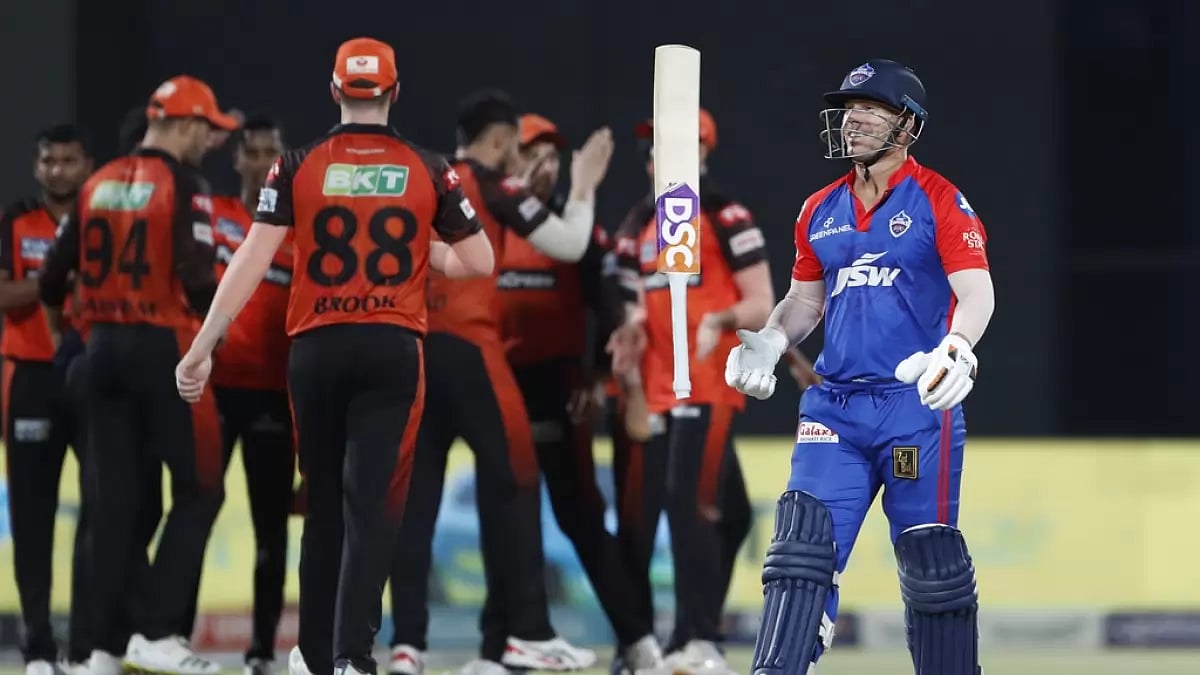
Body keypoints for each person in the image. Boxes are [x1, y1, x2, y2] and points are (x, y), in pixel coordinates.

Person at [171, 37, 494, 675]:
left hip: (315, 350)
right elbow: (478, 261)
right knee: (369, 508)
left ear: (335, 91)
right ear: (395, 93)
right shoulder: (428, 167)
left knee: (321, 505)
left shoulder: (296, 165)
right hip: (391, 349)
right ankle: (352, 658)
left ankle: (313, 656)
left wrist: (200, 349)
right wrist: (418, 252)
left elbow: (251, 260)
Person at [725, 59, 994, 675]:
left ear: (908, 125)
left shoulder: (940, 200)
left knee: (932, 565)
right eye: (849, 110)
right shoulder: (819, 208)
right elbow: (805, 301)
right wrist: (769, 341)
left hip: (914, 410)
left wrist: (956, 348)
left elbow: (977, 292)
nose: (854, 121)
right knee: (800, 552)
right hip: (835, 407)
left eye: (871, 109)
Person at [386, 91, 608, 675]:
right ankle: (527, 633)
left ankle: (407, 646)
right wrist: (582, 185)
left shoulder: (425, 175)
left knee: (415, 504)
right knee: (516, 477)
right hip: (469, 348)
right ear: (503, 140)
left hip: (412, 351)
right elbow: (569, 243)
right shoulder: (490, 182)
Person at [37, 75, 238, 675]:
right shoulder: (183, 183)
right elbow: (201, 277)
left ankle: (101, 646)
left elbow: (51, 280)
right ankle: (154, 630)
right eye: (209, 128)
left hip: (99, 353)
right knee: (203, 487)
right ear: (184, 125)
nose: (212, 140)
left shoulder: (96, 184)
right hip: (165, 348)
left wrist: (69, 342)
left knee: (115, 506)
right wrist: (219, 329)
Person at [608, 107, 802, 675]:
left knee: (690, 505)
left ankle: (699, 640)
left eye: (669, 145)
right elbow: (624, 299)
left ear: (702, 152)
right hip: (656, 392)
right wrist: (626, 331)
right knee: (725, 514)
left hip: (708, 383)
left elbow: (762, 303)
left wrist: (716, 323)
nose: (654, 157)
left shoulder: (724, 214)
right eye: (652, 147)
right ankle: (662, 641)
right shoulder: (638, 225)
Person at [494, 113, 663, 671]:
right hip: (497, 388)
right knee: (506, 514)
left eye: (550, 157)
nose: (542, 167)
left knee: (580, 515)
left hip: (560, 389)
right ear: (508, 160)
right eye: (530, 155)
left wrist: (594, 376)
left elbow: (609, 299)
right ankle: (499, 646)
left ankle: (639, 641)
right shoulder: (485, 223)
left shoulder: (575, 227)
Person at [0, 124, 93, 675]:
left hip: (90, 376)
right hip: (32, 379)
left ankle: (87, 646)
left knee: (105, 509)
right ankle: (38, 648)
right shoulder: (15, 220)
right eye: (48, 161)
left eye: (68, 160)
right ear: (37, 167)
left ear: (87, 165)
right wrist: (55, 278)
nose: (57, 170)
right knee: (32, 519)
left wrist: (39, 279)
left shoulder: (102, 220)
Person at [202, 114, 294, 675]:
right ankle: (171, 637)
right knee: (195, 515)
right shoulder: (210, 217)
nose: (260, 161)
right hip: (210, 394)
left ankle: (262, 651)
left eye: (270, 152)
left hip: (271, 396)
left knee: (270, 527)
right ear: (236, 159)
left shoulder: (299, 229)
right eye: (252, 151)